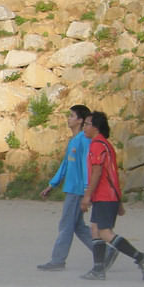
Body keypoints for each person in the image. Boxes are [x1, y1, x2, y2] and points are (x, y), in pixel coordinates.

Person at [79, 111, 144, 281]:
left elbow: (97, 172)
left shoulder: (97, 144)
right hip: (108, 196)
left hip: (104, 195)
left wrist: (87, 196)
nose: (84, 128)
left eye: (87, 124)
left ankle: (141, 257)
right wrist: (118, 201)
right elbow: (112, 174)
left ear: (95, 128)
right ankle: (98, 269)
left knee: (104, 233)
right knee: (95, 230)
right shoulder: (106, 144)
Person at [37, 104, 94, 271]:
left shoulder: (84, 140)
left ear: (81, 120)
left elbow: (86, 165)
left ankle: (58, 260)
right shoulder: (74, 141)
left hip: (77, 190)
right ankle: (105, 252)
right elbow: (65, 165)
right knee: (77, 226)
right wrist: (52, 184)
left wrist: (86, 190)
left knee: (66, 225)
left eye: (72, 116)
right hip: (71, 188)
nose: (68, 119)